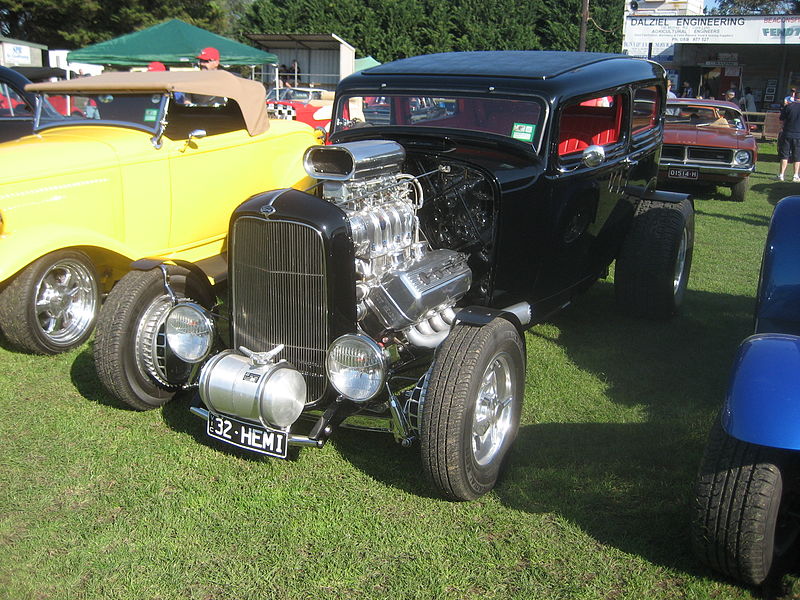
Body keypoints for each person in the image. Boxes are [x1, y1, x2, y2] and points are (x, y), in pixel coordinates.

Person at [777, 98, 800, 181]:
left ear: (794, 97)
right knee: (797, 156)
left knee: (784, 155)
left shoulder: (788, 106)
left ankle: (781, 175)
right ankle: (795, 175)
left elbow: (781, 119)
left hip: (787, 133)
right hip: (798, 135)